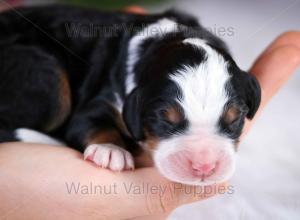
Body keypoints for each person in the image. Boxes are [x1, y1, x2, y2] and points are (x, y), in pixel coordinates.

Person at [0, 6, 299, 220]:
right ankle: (15, 130)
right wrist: (107, 140)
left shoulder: (220, 70)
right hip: (16, 43)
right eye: (168, 125)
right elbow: (88, 118)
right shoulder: (125, 88)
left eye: (231, 124)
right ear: (134, 108)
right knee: (45, 89)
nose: (204, 163)